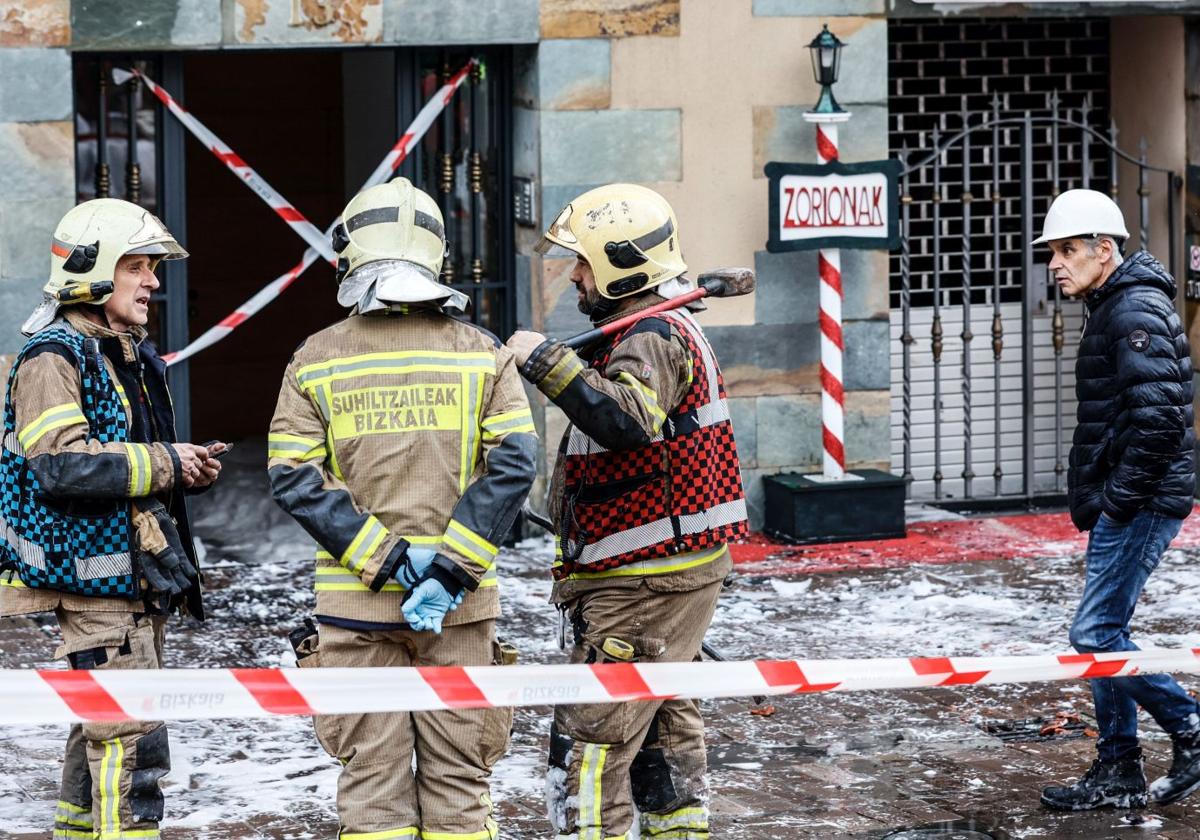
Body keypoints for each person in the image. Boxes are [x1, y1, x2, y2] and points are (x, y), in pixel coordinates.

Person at [268, 177, 537, 839]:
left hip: (354, 611)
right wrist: (447, 573)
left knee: (372, 794)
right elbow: (514, 467)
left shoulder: (314, 359)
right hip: (464, 609)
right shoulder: (484, 356)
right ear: (437, 253)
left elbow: (293, 479)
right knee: (461, 789)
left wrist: (387, 560)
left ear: (352, 253)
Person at [505, 183, 748, 839]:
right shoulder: (653, 329)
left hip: (644, 582)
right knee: (662, 741)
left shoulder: (654, 336)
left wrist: (549, 363)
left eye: (582, 263)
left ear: (619, 265)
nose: (575, 276)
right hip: (665, 574)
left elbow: (628, 419)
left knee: (591, 743)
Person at [0, 198, 223, 839]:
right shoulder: (54, 357)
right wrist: (164, 461)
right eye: (137, 266)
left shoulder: (118, 352)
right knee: (130, 736)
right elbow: (60, 465)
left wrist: (186, 470)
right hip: (97, 578)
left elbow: (132, 464)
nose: (153, 282)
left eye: (153, 268)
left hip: (130, 574)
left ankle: (77, 829)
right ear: (92, 272)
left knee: (99, 720)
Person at [1035, 189, 1200, 811]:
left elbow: (1160, 421)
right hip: (1133, 497)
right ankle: (1118, 768)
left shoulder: (1133, 310)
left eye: (1069, 249)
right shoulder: (1115, 303)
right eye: (1053, 251)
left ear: (1106, 250)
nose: (1056, 263)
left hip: (1143, 500)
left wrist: (1115, 502)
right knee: (1106, 634)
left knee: (1097, 632)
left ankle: (1189, 727)